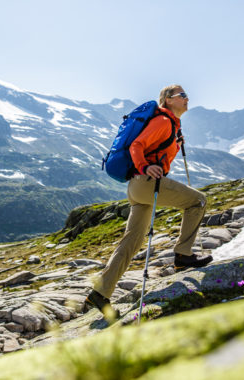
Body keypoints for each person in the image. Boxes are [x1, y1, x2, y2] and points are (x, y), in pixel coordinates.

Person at [84, 84, 213, 316]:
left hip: (137, 187)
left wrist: (175, 143)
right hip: (146, 182)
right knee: (198, 201)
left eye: (186, 95)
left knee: (131, 241)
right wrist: (145, 165)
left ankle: (99, 294)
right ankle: (183, 255)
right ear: (167, 99)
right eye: (181, 95)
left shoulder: (171, 125)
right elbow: (137, 145)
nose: (186, 98)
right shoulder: (163, 121)